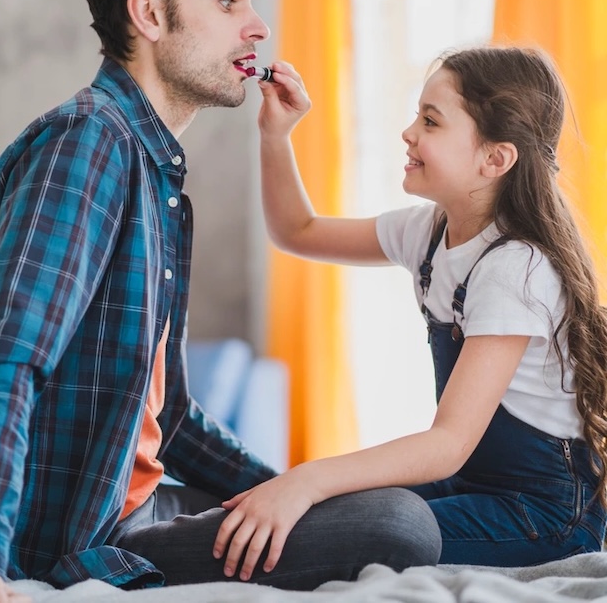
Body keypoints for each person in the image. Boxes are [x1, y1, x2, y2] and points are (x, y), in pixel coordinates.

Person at [0, 0, 442, 601]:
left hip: (138, 506)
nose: (256, 28)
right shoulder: (87, 144)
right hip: (83, 536)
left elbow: (175, 421)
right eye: (227, 3)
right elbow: (8, 356)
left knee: (382, 506)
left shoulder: (154, 175)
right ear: (150, 15)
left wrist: (286, 493)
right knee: (399, 525)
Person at [213, 46, 607, 580]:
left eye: (430, 121)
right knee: (324, 513)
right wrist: (275, 135)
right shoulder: (428, 231)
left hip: (541, 514)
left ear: (495, 159)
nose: (408, 133)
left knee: (347, 527)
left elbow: (447, 443)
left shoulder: (515, 268)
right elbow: (297, 231)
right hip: (470, 481)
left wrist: (306, 477)